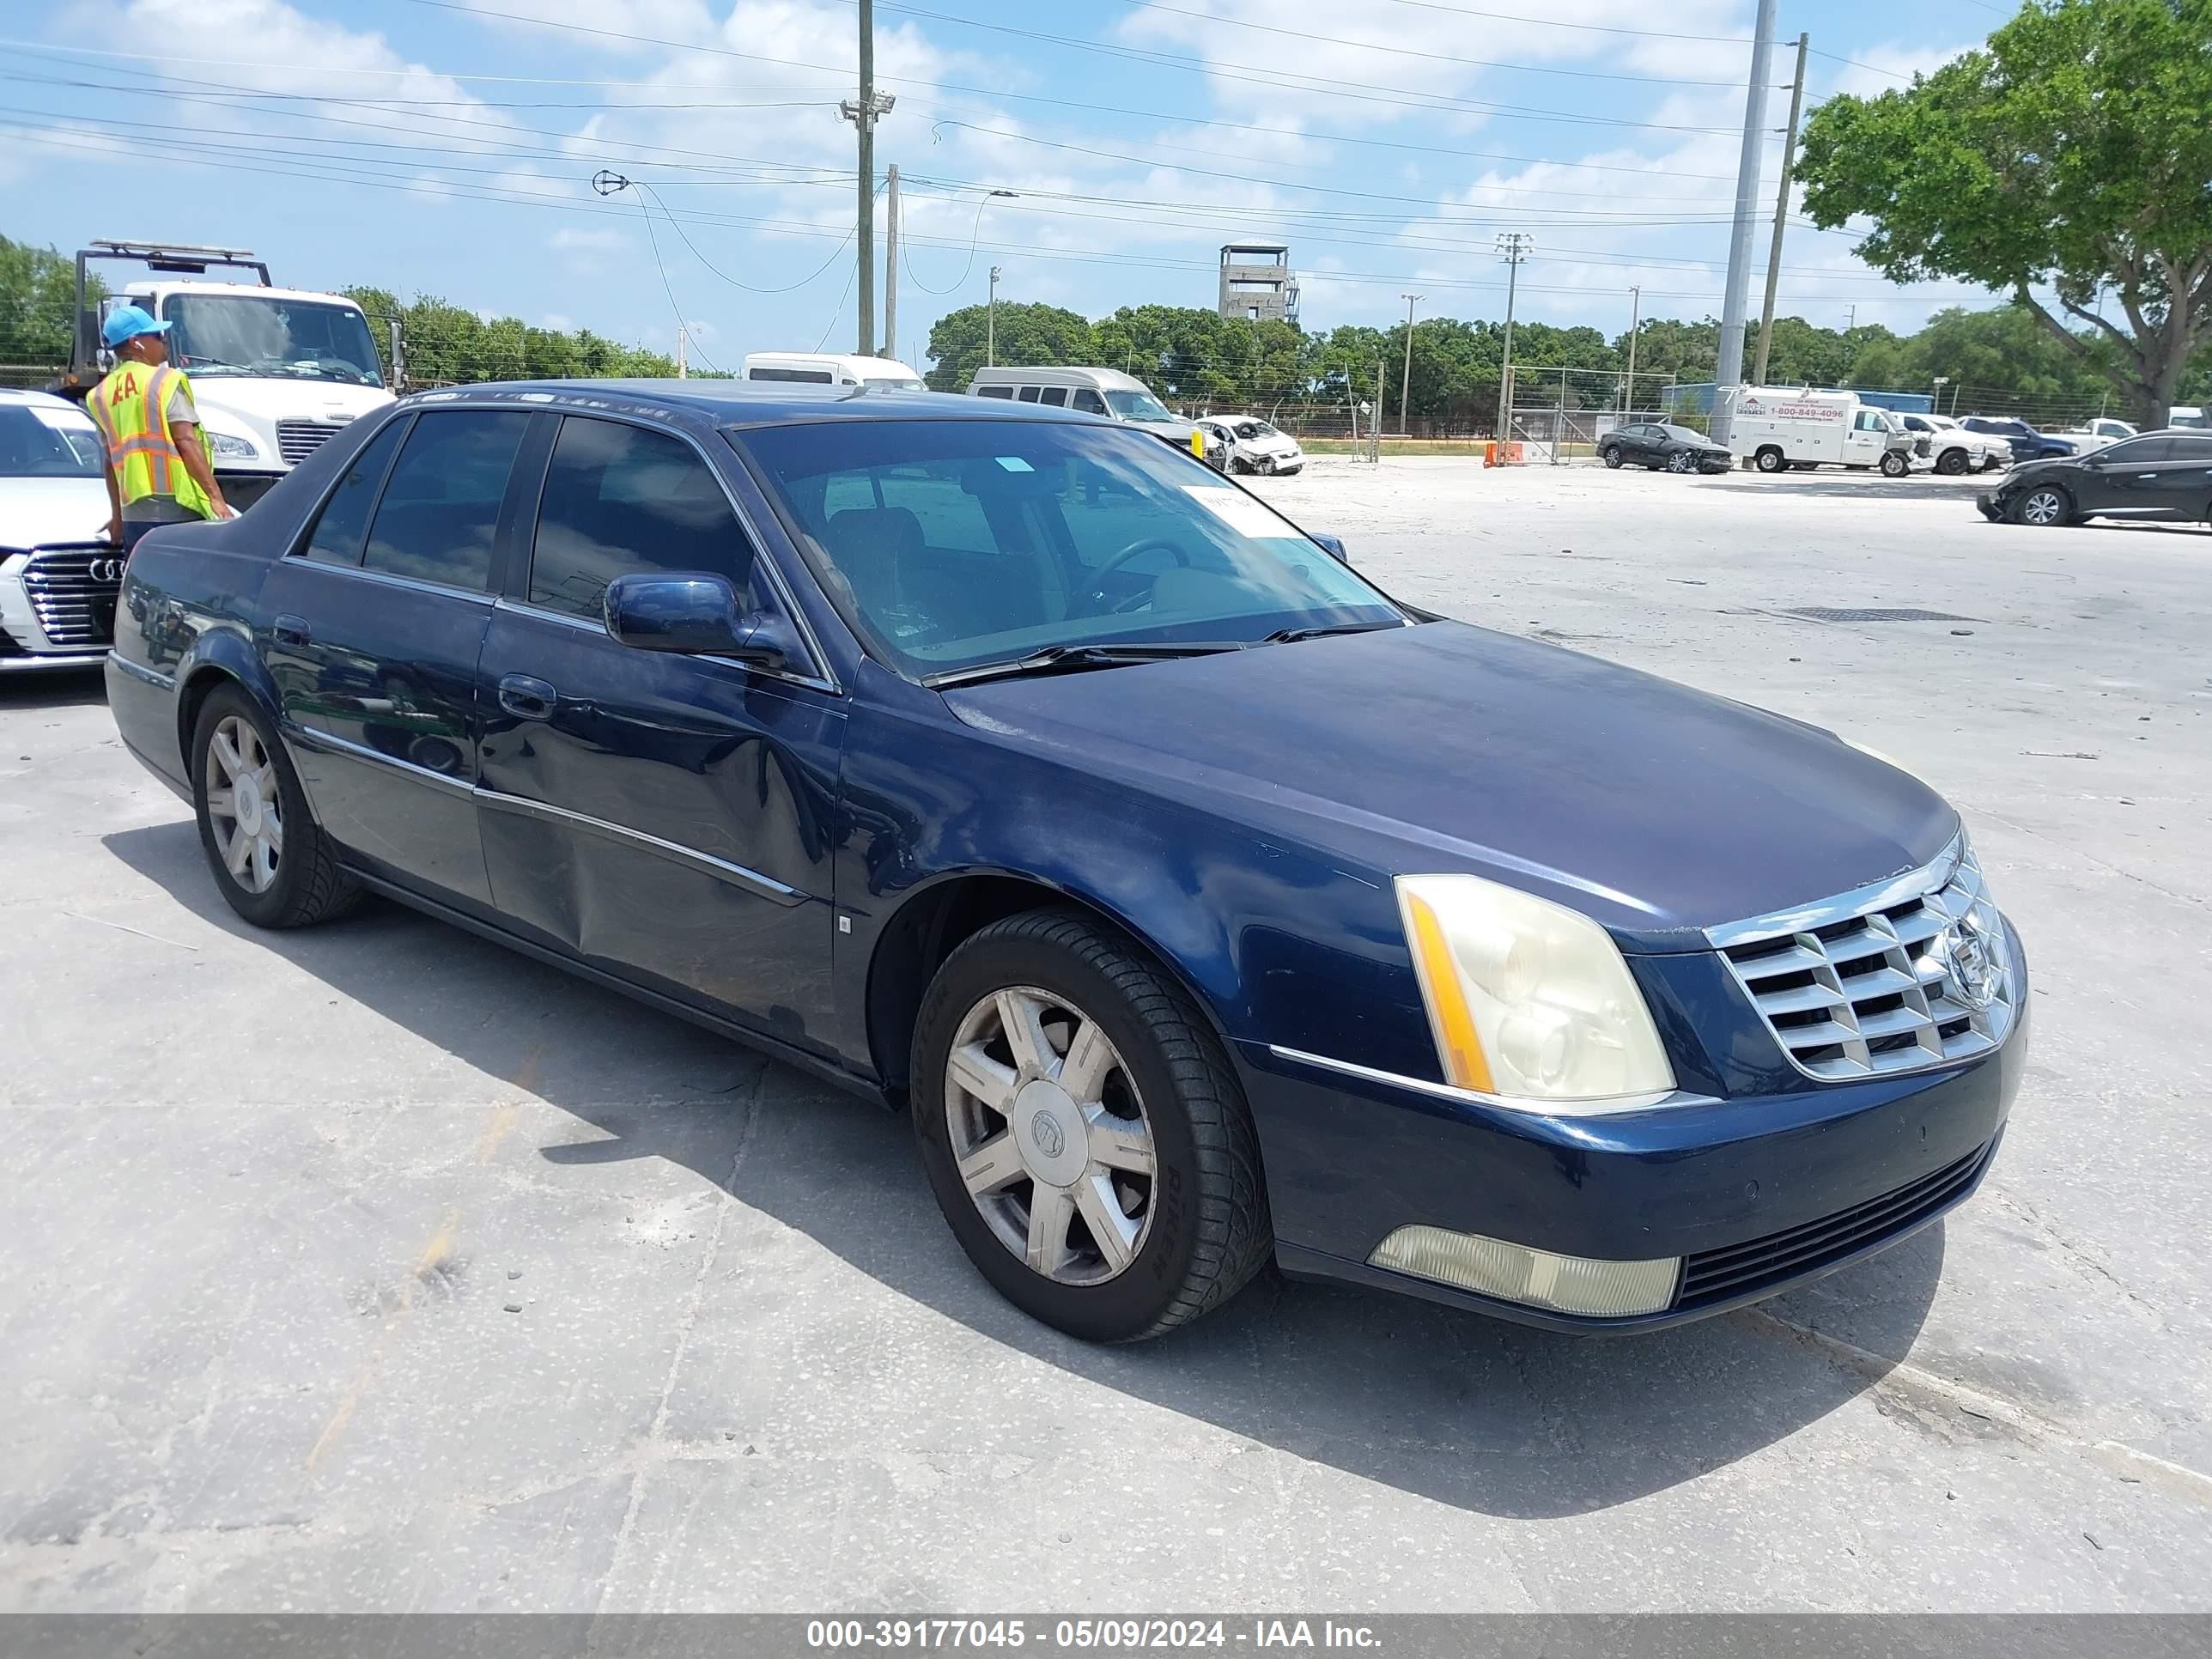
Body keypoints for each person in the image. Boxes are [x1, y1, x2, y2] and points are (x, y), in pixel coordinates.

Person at [85, 304, 234, 551]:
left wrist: (118, 516)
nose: (164, 341)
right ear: (136, 342)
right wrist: (216, 499)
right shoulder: (164, 380)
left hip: (133, 515)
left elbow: (111, 462)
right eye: (157, 336)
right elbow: (185, 441)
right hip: (179, 508)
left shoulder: (99, 395)